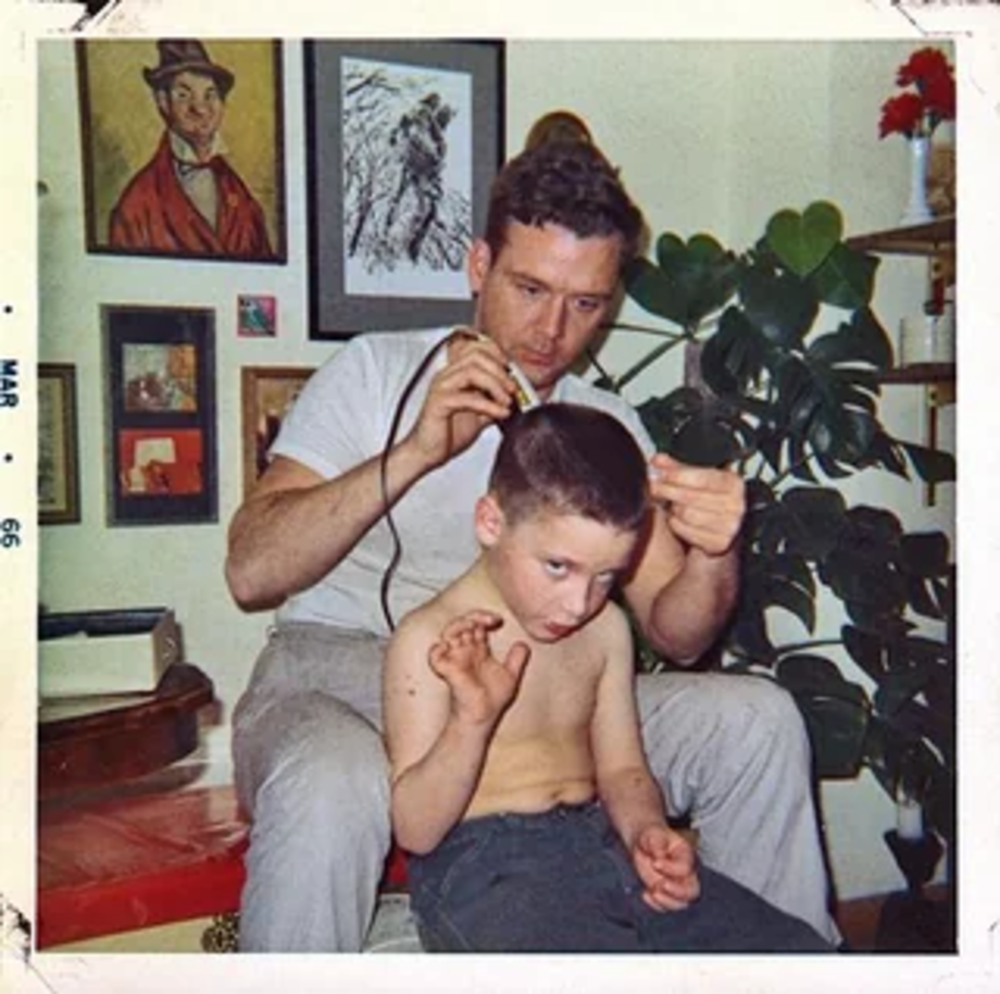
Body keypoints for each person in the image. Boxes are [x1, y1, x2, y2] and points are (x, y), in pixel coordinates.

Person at [225, 137, 839, 951]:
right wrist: (412, 455)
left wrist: (716, 550)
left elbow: (676, 631)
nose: (553, 331)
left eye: (587, 303)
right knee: (333, 781)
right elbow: (251, 571)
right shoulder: (373, 372)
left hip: (539, 690)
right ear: (479, 265)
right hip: (338, 676)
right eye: (530, 288)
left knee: (755, 719)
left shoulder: (601, 426)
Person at [384, 404, 833, 952]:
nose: (578, 603)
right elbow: (416, 831)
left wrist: (647, 834)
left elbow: (622, 771)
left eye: (607, 576)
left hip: (598, 844)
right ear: (490, 522)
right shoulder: (428, 638)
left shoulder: (605, 629)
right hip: (485, 872)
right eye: (558, 566)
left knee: (794, 951)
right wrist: (471, 722)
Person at [108, 39, 274, 259]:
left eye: (210, 94)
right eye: (184, 95)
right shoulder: (137, 205)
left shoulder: (241, 197)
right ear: (163, 102)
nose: (200, 108)